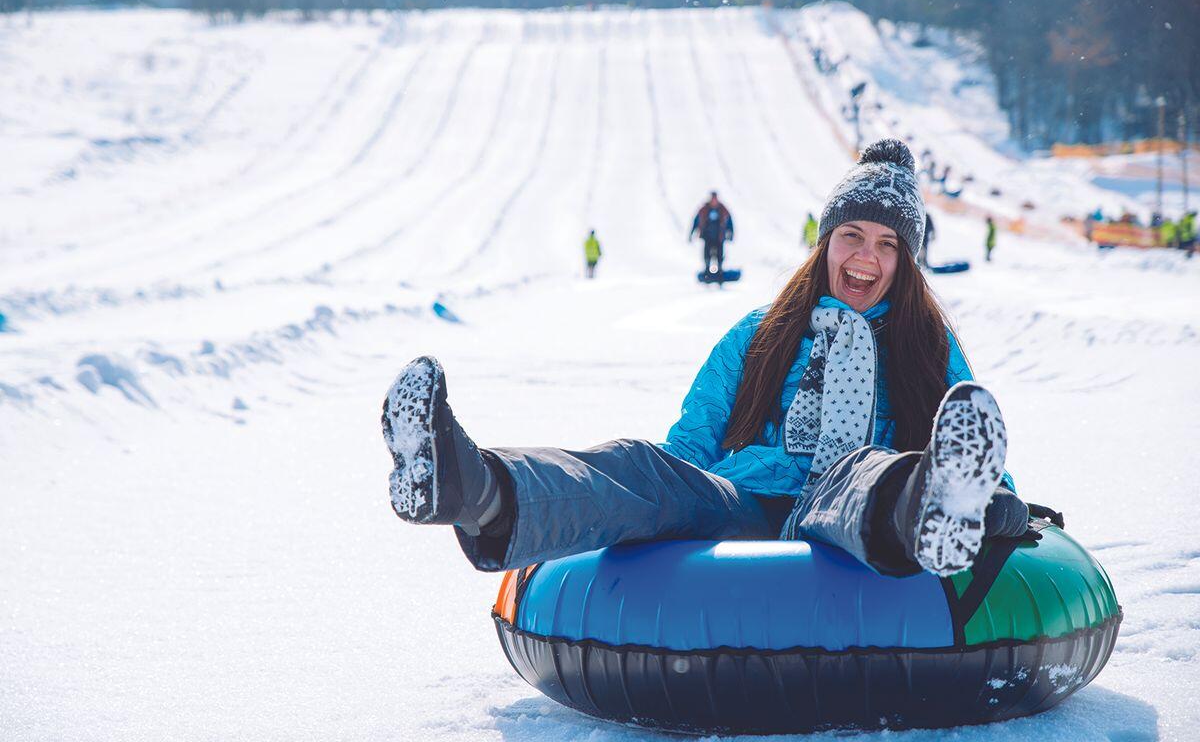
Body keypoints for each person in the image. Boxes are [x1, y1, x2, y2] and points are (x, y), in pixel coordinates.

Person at [380, 139, 1029, 582]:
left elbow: (966, 448)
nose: (866, 256)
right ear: (825, 243)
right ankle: (474, 488)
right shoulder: (762, 332)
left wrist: (994, 502)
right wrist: (667, 491)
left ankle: (926, 510)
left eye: (888, 245)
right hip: (744, 500)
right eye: (852, 235)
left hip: (852, 504)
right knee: (642, 466)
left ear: (906, 262)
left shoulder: (925, 343)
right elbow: (693, 442)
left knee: (864, 474)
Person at [689, 191, 734, 276]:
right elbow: (696, 220)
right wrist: (692, 232)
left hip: (719, 236)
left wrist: (731, 232)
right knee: (707, 253)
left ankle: (720, 270)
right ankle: (707, 269)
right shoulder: (705, 209)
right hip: (707, 236)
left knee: (720, 253)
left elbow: (729, 221)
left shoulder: (722, 209)